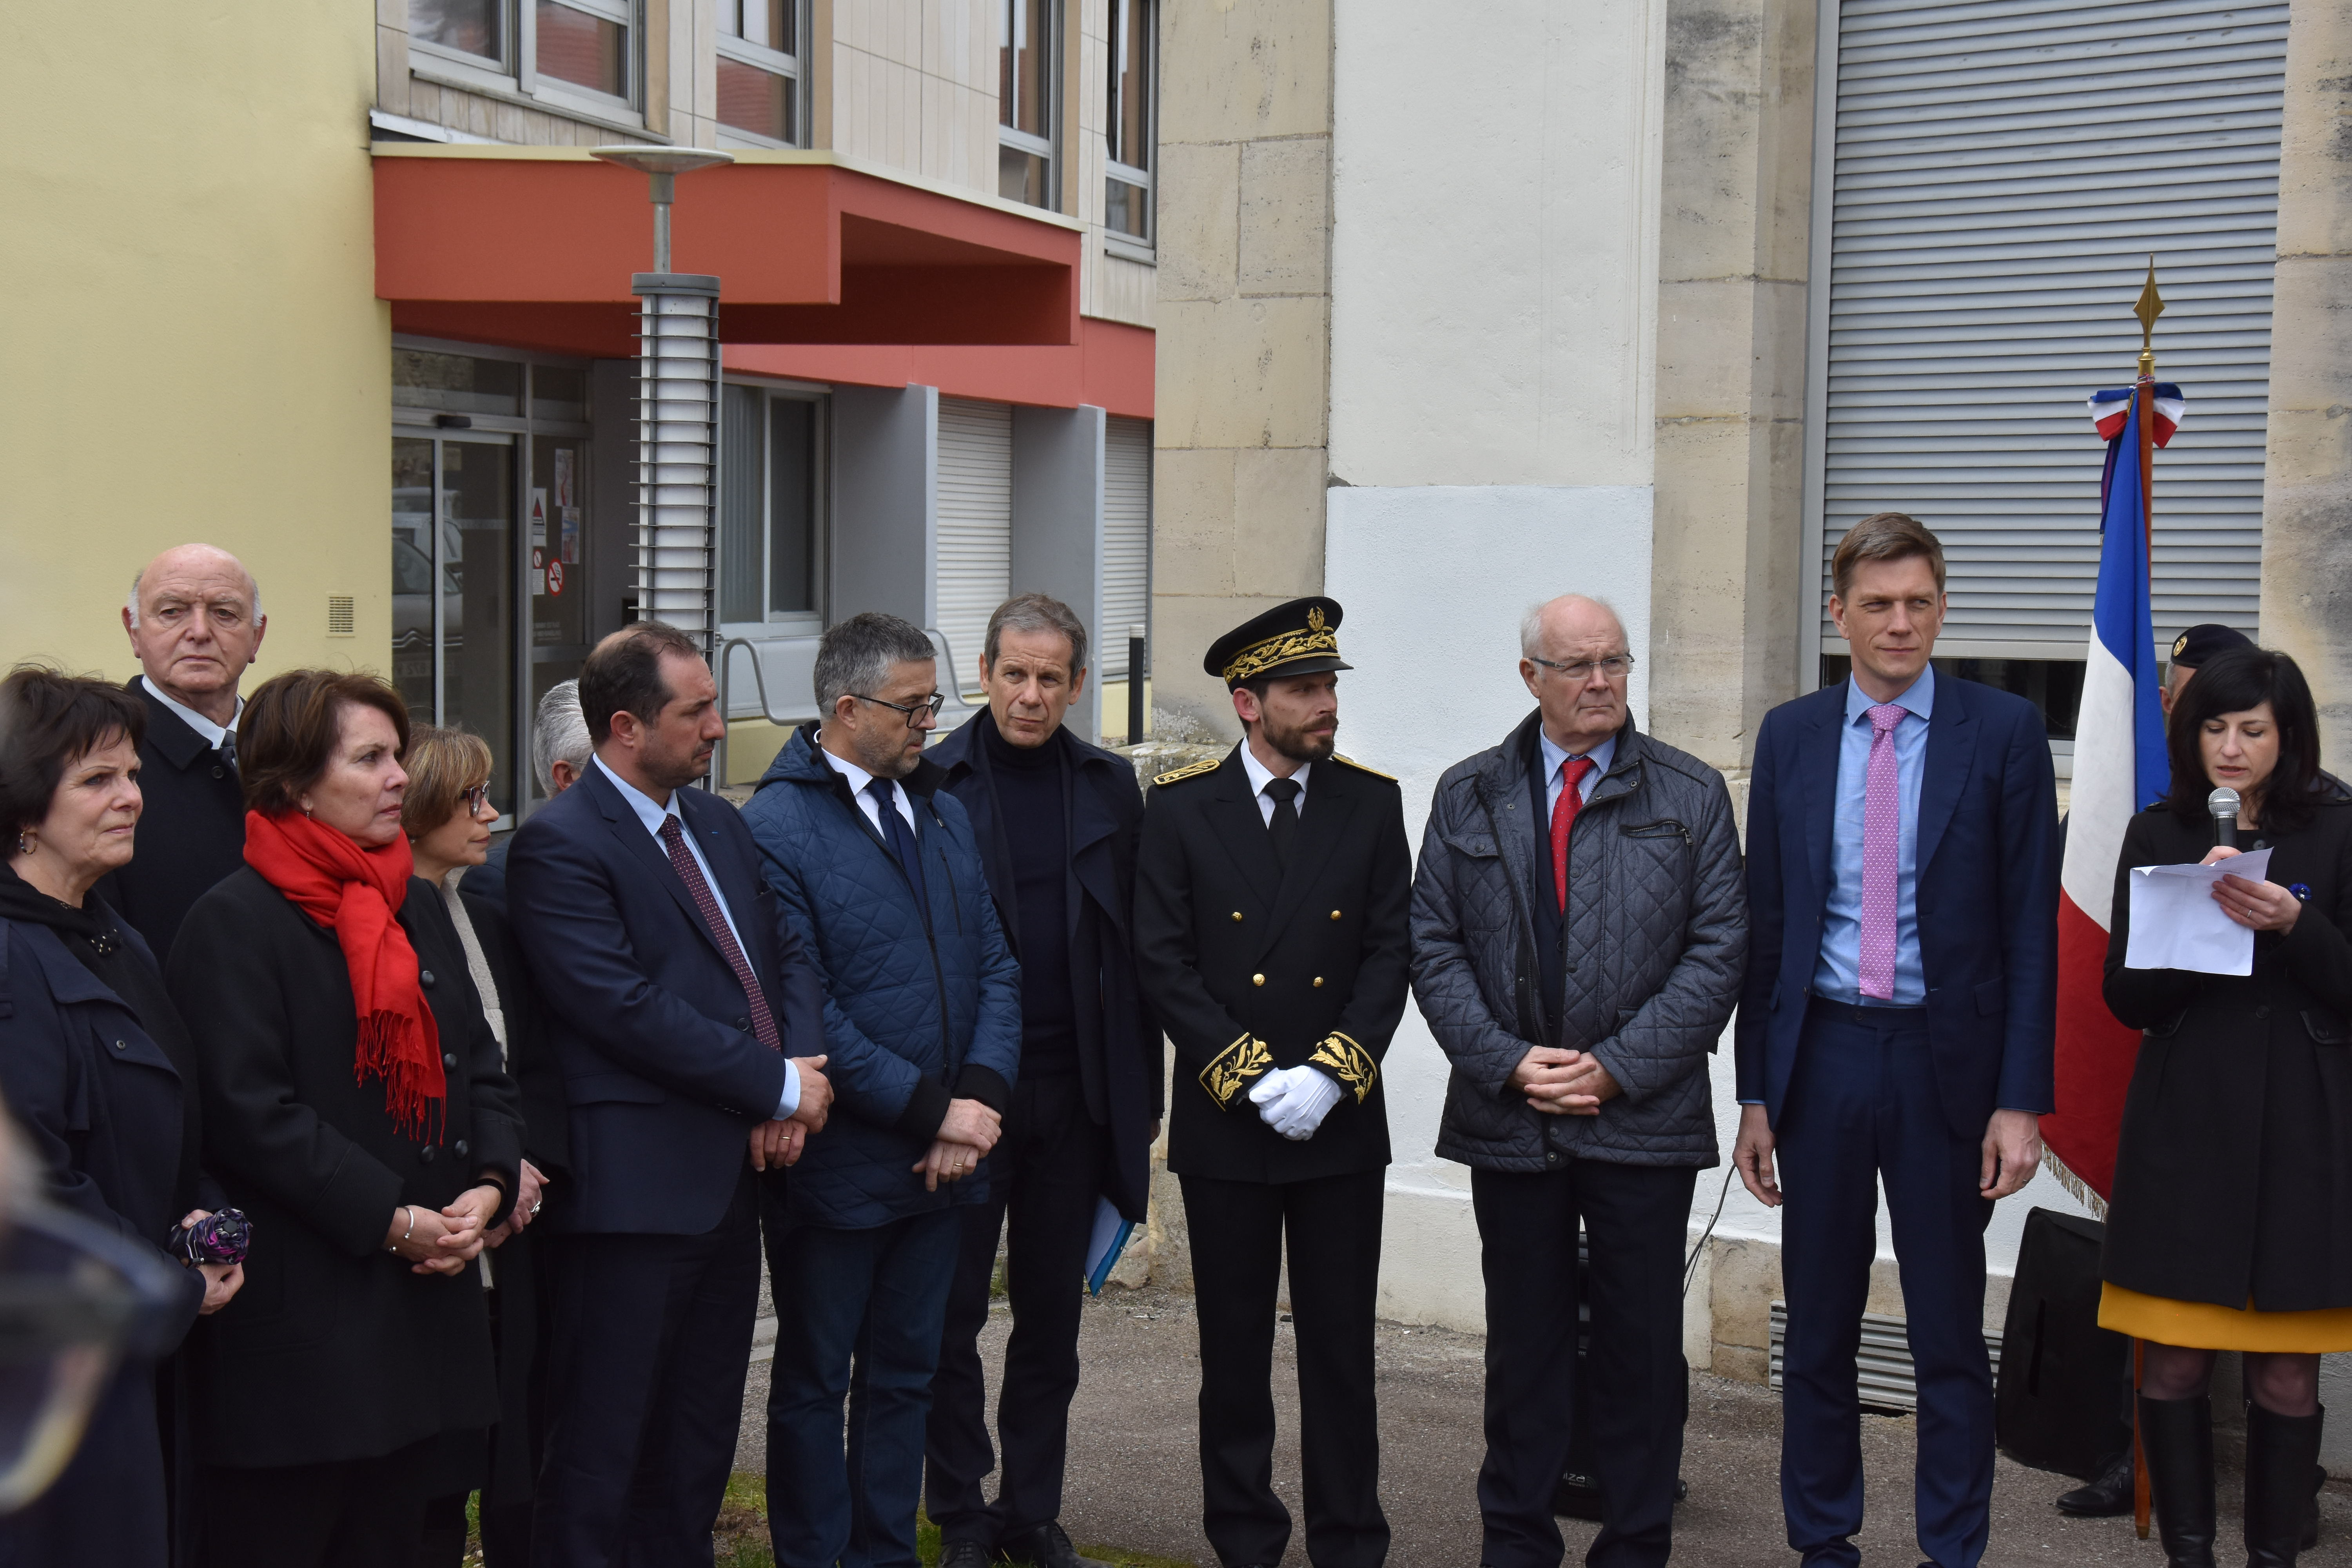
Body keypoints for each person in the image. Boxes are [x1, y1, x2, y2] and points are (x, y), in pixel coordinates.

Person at [1734, 513, 2058, 1568]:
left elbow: (2029, 932)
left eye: (1919, 602)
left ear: (1943, 608)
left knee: (1949, 1335)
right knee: (1819, 1326)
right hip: (1821, 1055)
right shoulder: (1789, 735)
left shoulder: (2002, 731)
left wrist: (2021, 1101)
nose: (1900, 622)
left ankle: (1951, 1550)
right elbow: (1766, 927)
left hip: (1943, 1067)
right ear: (1840, 614)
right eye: (1878, 604)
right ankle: (1823, 1542)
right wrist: (1754, 1095)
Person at [1409, 595, 1747, 1568]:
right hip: (1508, 1118)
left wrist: (1618, 1067)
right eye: (1578, 665)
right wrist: (1509, 1062)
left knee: (1642, 1352)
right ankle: (1516, 1545)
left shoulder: (1687, 794)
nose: (1601, 682)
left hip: (1642, 1117)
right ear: (1531, 677)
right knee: (1524, 1350)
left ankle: (1636, 1546)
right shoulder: (1467, 793)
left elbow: (1720, 948)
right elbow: (1432, 946)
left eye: (1615, 662)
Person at [166, 668, 524, 1568]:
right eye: (370, 758)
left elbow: (477, 1058)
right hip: (306, 1345)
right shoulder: (232, 923)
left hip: (426, 1314)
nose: (400, 776)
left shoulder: (405, 897)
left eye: (396, 755)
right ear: (292, 782)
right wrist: (393, 1219)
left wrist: (489, 1180)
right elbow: (252, 1113)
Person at [506, 623, 831, 1568]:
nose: (719, 729)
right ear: (624, 728)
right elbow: (622, 1006)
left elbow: (784, 955)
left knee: (696, 1442)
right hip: (631, 1204)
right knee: (605, 1446)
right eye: (696, 712)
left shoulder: (717, 824)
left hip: (728, 1189)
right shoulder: (559, 846)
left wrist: (792, 1076)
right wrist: (774, 1082)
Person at [1132, 597, 1412, 1568]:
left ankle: (1349, 1544)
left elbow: (1388, 953)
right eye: (1304, 689)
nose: (1325, 704)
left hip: (1336, 1125)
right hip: (1230, 1125)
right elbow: (1162, 960)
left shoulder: (1371, 803)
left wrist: (1332, 1076)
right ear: (1248, 702)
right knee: (1235, 1355)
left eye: (1329, 685)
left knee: (1342, 1355)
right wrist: (1253, 1078)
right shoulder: (1179, 809)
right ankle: (1245, 1540)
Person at [739, 611, 1022, 1568]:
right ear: (846, 707)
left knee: (906, 1374)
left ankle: (884, 1553)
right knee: (817, 1379)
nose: (929, 724)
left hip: (944, 1158)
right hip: (843, 1162)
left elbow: (995, 963)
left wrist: (972, 1106)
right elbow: (802, 1006)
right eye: (912, 707)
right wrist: (930, 1109)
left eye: (935, 703)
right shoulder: (774, 826)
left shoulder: (938, 807)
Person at [2098, 645, 2351, 1568]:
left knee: (2286, 1369)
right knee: (2172, 1359)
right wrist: (2191, 920)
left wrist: (2296, 923)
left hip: (2303, 1126)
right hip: (2187, 1122)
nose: (2233, 747)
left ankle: (2274, 1559)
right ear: (2190, 732)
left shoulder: (2338, 823)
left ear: (2287, 736)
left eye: (2253, 729)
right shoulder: (2157, 830)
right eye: (2216, 727)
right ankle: (2190, 1558)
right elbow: (2124, 997)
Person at [923, 595, 1162, 1568]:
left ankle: (1032, 1510)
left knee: (1051, 1320)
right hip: (969, 1098)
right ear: (983, 672)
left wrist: (1139, 1100)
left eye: (1050, 678)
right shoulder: (933, 778)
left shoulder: (1110, 787)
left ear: (1075, 683)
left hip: (1077, 1092)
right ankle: (961, 1512)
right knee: (952, 1316)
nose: (1030, 695)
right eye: (1013, 674)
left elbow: (1141, 950)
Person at [0, 666, 244, 1568]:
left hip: (133, 1351)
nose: (133, 798)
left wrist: (204, 1224)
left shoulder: (111, 934)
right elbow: (32, 1185)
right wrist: (170, 1283)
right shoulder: (10, 955)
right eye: (98, 779)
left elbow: (176, 1111)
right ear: (26, 804)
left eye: (135, 774)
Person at [400, 727, 570, 1566]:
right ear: (418, 805)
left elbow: (521, 1057)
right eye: (471, 799)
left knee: (509, 1439)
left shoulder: (487, 908)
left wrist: (516, 1162)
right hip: (428, 1228)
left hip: (508, 1220)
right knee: (426, 1473)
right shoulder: (378, 922)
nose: (492, 814)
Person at [92, 543, 267, 968]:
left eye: (225, 613)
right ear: (133, 630)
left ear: (257, 635)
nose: (200, 631)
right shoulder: (90, 760)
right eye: (172, 612)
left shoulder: (296, 750)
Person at [463, 679, 591, 913]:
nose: (491, 814)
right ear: (567, 777)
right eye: (610, 765)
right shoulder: (497, 880)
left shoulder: (663, 836)